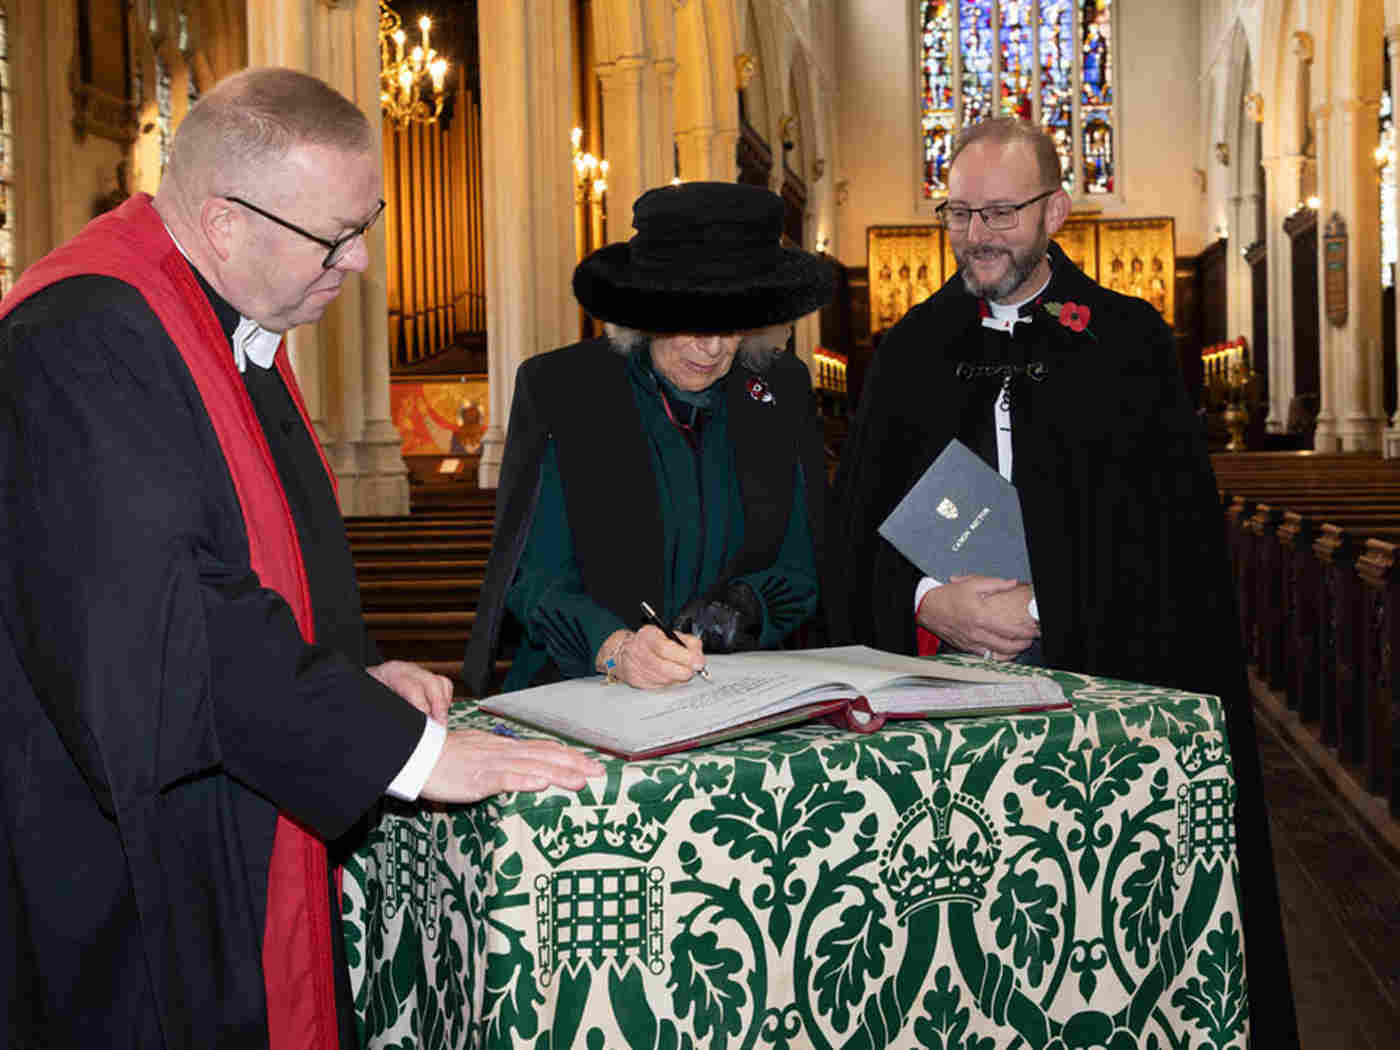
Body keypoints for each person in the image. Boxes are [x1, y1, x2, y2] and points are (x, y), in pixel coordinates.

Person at [0, 68, 600, 1050]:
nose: (360, 262)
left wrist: (350, 682)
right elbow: (169, 623)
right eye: (335, 236)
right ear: (225, 219)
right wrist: (412, 754)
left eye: (366, 224)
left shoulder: (212, 323)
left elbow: (243, 571)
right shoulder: (84, 337)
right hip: (120, 880)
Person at [829, 118, 1297, 1047]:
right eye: (959, 211)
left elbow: (1174, 547)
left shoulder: (1129, 345)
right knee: (962, 953)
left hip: (1105, 692)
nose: (977, 234)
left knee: (1092, 942)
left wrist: (1046, 606)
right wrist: (929, 603)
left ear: (1057, 210)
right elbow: (854, 540)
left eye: (1000, 211)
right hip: (939, 697)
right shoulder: (911, 352)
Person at [463, 181, 832, 697]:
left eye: (734, 325)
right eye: (691, 322)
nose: (713, 347)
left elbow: (803, 561)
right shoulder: (563, 389)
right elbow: (533, 577)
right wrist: (615, 647)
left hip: (738, 693)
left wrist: (751, 605)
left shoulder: (780, 389)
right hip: (588, 689)